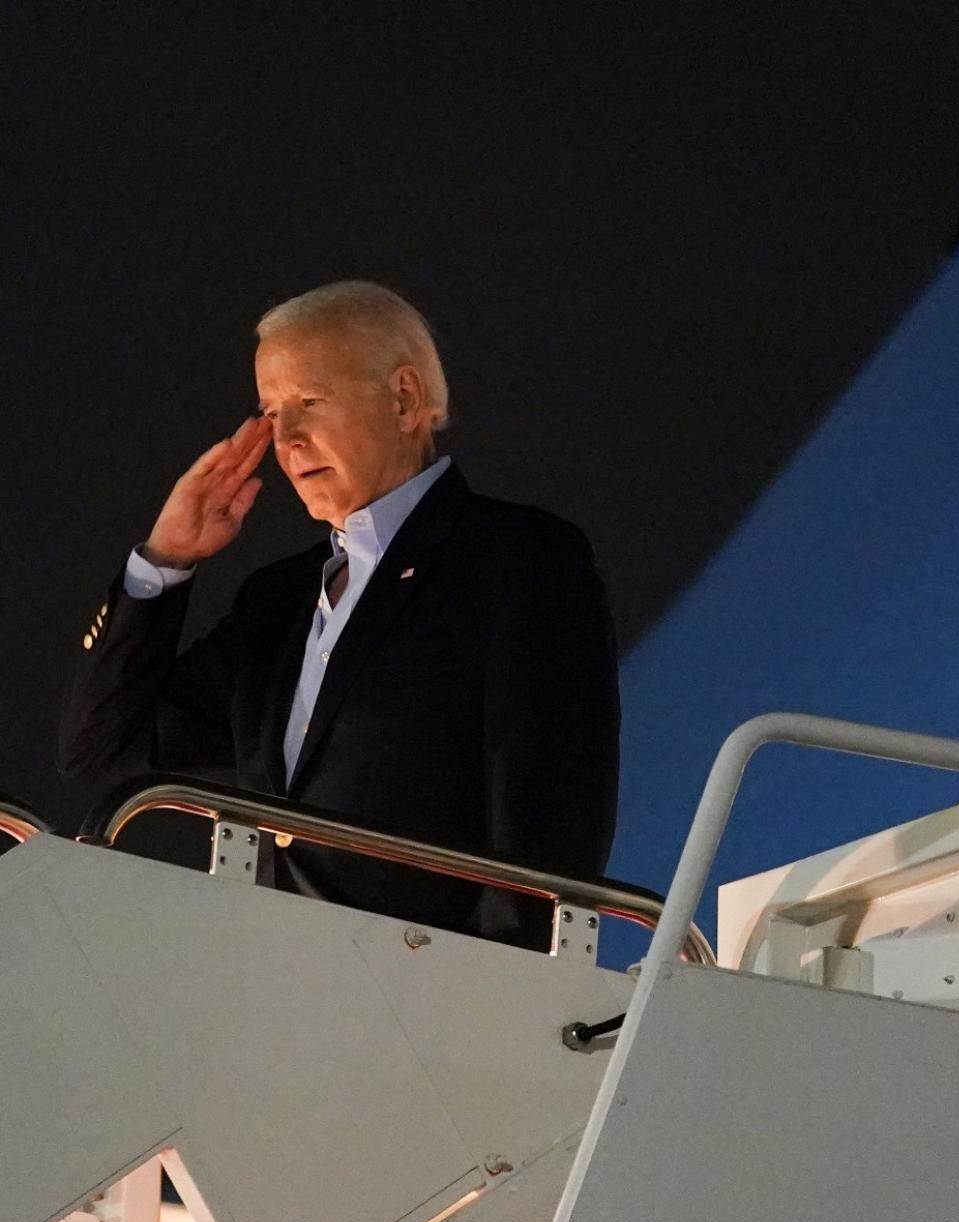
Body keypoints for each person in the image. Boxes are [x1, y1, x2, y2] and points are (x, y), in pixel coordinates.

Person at [58, 281, 620, 949]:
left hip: (431, 1001)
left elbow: (548, 832)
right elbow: (103, 754)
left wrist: (494, 1008)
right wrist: (164, 561)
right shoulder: (277, 601)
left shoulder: (517, 561)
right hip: (269, 987)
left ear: (405, 399)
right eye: (270, 411)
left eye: (309, 402)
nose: (286, 437)